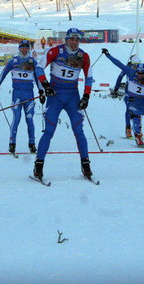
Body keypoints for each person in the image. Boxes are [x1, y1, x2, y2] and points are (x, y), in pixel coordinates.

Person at [33, 27, 93, 180]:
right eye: (71, 39)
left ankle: (85, 164)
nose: (74, 43)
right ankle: (38, 164)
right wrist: (46, 85)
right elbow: (39, 68)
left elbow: (89, 77)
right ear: (66, 39)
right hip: (56, 96)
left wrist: (86, 96)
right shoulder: (55, 51)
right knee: (49, 131)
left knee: (79, 130)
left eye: (77, 40)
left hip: (73, 95)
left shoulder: (83, 56)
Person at [0, 40, 44, 154]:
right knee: (16, 119)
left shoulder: (33, 62)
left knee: (29, 119)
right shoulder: (13, 61)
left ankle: (32, 144)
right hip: (17, 94)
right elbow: (3, 73)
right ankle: (12, 143)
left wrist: (41, 91)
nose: (25, 50)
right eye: (22, 48)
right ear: (19, 48)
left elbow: (38, 77)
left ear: (29, 49)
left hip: (29, 95)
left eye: (27, 48)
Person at [113, 54, 142, 138]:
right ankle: (128, 129)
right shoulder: (127, 67)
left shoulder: (141, 68)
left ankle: (138, 129)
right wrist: (116, 88)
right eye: (134, 65)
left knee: (139, 110)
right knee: (129, 110)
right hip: (129, 91)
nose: (136, 67)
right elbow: (120, 77)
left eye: (137, 65)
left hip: (138, 93)